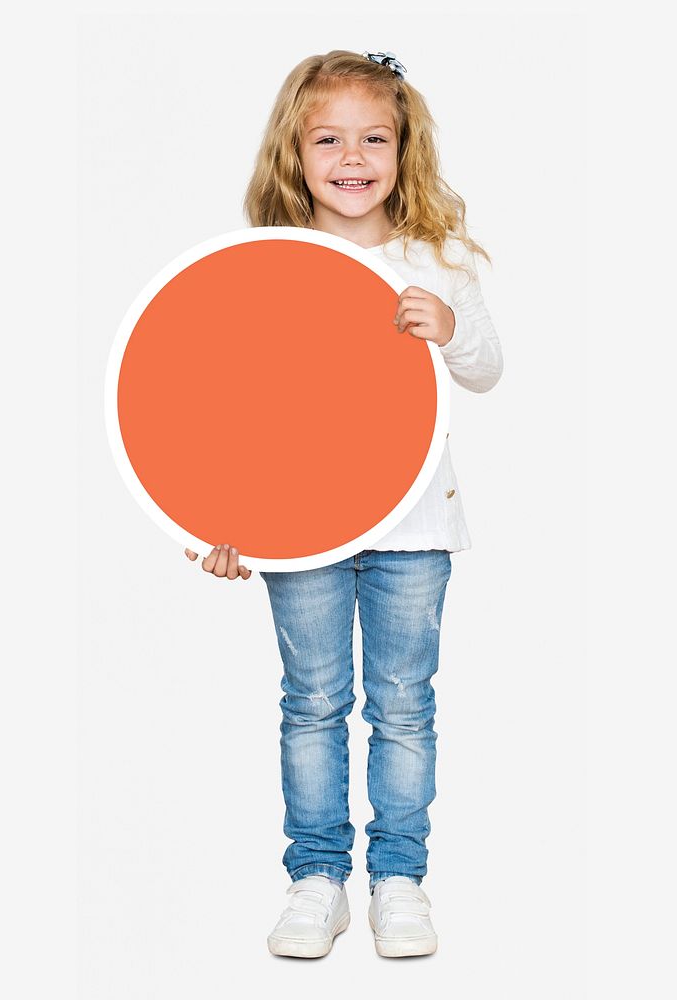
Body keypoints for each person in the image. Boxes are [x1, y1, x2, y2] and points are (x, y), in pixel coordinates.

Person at [185, 48, 503, 958]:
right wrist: (213, 516)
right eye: (328, 138)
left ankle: (400, 880)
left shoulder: (435, 260)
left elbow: (485, 370)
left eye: (375, 138)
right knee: (312, 702)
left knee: (403, 704)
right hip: (304, 525)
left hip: (416, 528)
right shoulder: (269, 264)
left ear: (405, 150)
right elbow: (232, 406)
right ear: (296, 150)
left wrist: (446, 328)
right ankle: (316, 879)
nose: (352, 157)